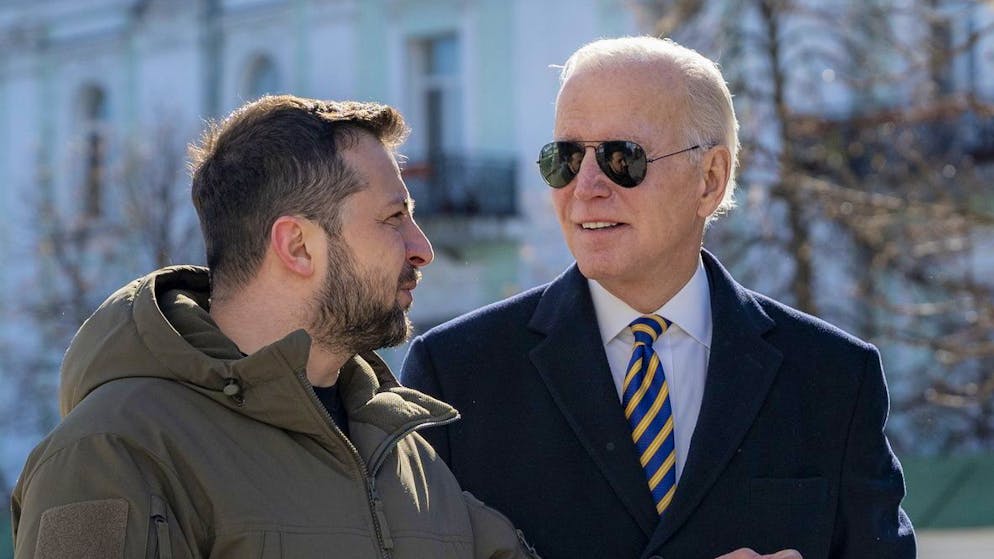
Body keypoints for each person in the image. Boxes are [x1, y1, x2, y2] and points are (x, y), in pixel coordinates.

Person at [401, 37, 916, 559]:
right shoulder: (456, 374)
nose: (587, 187)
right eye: (566, 158)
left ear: (710, 180)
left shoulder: (833, 376)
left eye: (623, 158)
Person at [12, 95, 538, 559]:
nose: (421, 248)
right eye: (393, 218)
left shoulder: (405, 456)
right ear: (297, 246)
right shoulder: (113, 450)